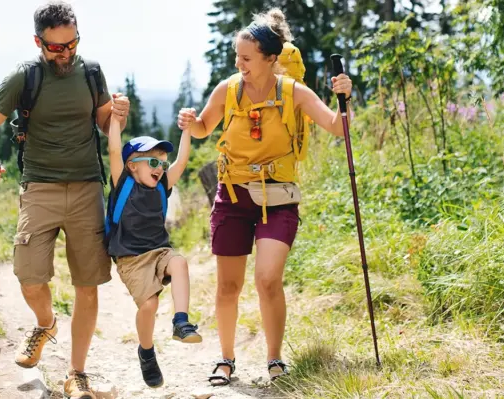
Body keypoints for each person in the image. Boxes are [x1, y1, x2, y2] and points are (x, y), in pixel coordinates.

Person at [176, 7, 354, 386]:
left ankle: (274, 359)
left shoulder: (294, 92)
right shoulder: (229, 89)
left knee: (268, 279)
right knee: (228, 286)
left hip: (278, 197)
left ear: (271, 59)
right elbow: (208, 126)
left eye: (246, 58)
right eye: (237, 56)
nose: (239, 64)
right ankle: (226, 359)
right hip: (234, 195)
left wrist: (345, 98)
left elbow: (338, 127)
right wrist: (193, 123)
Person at [0, 1, 130, 398]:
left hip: (87, 187)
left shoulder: (91, 72)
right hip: (38, 186)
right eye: (55, 47)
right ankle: (45, 322)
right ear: (38, 41)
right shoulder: (24, 77)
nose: (65, 53)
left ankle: (77, 373)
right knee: (28, 275)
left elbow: (105, 122)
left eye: (71, 44)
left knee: (88, 284)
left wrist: (118, 116)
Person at [103, 110, 200, 388]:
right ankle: (146, 352)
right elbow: (112, 148)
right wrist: (114, 119)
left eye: (161, 162)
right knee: (149, 304)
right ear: (132, 165)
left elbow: (181, 160)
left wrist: (187, 129)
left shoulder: (162, 186)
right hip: (131, 258)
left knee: (179, 262)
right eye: (152, 161)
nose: (159, 166)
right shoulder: (124, 183)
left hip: (159, 251)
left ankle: (181, 322)